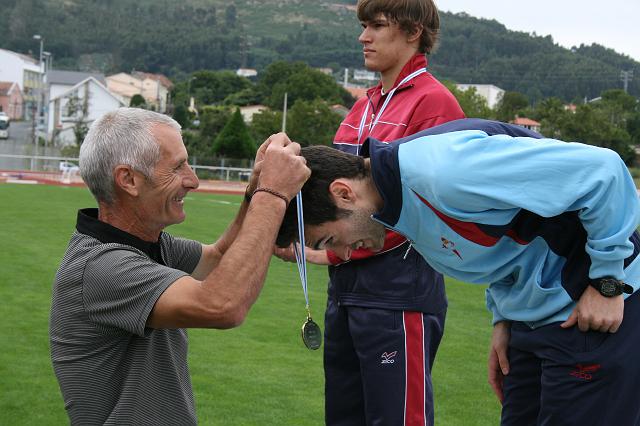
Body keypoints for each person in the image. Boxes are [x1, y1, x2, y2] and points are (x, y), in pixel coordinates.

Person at [276, 118, 640, 425]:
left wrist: (608, 282)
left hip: (594, 306)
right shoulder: (399, 204)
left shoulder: (443, 171)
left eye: (327, 240)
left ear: (343, 194)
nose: (341, 253)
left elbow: (603, 171)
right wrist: (504, 319)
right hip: (535, 322)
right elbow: (507, 245)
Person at [49, 107, 310, 425]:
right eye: (177, 167)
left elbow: (217, 260)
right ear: (129, 180)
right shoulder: (102, 267)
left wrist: (255, 187)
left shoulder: (146, 244)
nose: (194, 180)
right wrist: (273, 194)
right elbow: (222, 305)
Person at [275, 1, 464, 424]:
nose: (364, 37)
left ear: (413, 31)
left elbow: (432, 209)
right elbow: (334, 194)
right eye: (363, 26)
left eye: (377, 26)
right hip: (344, 291)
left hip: (399, 293)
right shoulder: (361, 108)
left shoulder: (434, 103)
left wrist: (329, 251)